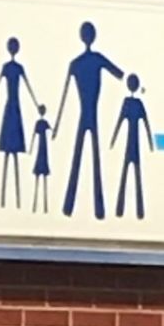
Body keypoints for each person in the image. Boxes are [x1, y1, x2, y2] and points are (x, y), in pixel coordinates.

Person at [56, 21, 124, 219]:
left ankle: (69, 206)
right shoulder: (96, 59)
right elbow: (119, 73)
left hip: (85, 114)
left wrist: (58, 124)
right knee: (93, 159)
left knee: (79, 158)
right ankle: (97, 208)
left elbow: (64, 97)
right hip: (90, 112)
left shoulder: (75, 64)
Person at [0, 36, 40, 208]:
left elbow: (28, 88)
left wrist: (36, 104)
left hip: (13, 108)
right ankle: (6, 198)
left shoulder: (11, 68)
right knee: (10, 153)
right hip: (12, 108)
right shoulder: (12, 68)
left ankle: (14, 199)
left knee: (11, 153)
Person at [111, 74, 153, 220]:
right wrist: (150, 143)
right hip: (134, 144)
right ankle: (134, 211)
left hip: (131, 144)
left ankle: (124, 210)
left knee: (129, 173)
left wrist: (113, 140)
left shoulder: (129, 103)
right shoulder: (135, 104)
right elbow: (145, 125)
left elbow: (121, 123)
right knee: (134, 174)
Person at [31, 105, 52, 214]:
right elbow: (51, 131)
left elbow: (34, 136)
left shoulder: (41, 123)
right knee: (41, 175)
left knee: (41, 176)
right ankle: (40, 206)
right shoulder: (42, 123)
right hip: (42, 146)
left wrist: (30, 147)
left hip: (43, 147)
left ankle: (42, 206)